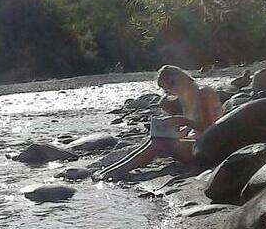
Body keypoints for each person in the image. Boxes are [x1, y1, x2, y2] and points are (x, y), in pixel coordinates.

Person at [94, 65, 223, 181]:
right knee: (155, 138)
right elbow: (193, 128)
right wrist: (173, 133)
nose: (171, 92)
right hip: (198, 143)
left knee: (159, 143)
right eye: (166, 90)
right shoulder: (187, 96)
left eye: (170, 87)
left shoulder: (204, 93)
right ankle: (112, 169)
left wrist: (182, 121)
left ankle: (118, 171)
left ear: (179, 79)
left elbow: (210, 129)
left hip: (209, 148)